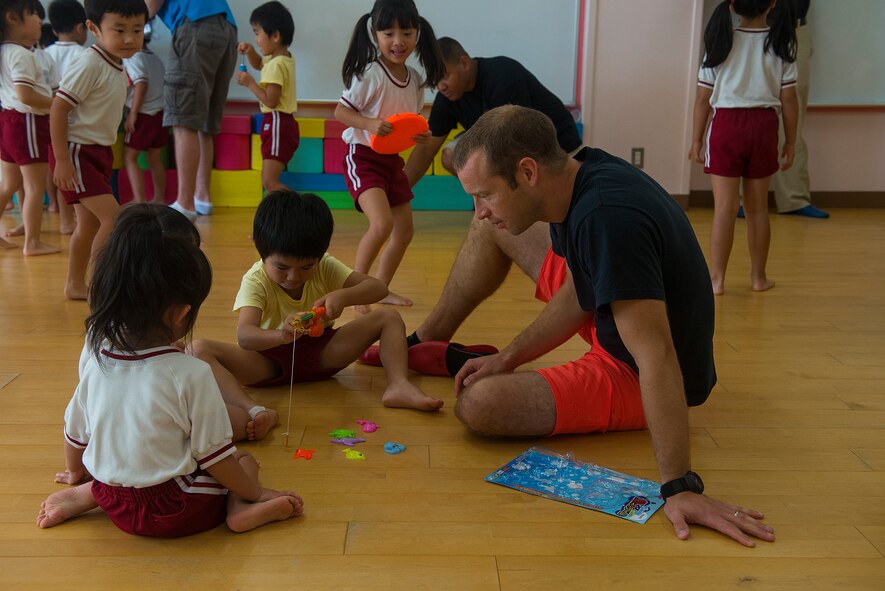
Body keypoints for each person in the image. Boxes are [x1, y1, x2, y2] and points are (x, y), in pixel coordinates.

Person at [420, 104, 773, 547]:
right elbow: (579, 291)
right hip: (613, 320)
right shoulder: (575, 177)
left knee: (479, 405)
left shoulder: (608, 218)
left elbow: (656, 353)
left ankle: (452, 360)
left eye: (485, 194)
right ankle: (425, 339)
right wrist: (506, 357)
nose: (479, 210)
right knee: (495, 231)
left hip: (638, 371)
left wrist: (679, 487)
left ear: (528, 172)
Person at [36, 204, 304, 537]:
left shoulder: (97, 357)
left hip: (115, 501)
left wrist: (76, 472)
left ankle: (86, 493)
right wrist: (255, 490)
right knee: (243, 460)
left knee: (126, 467)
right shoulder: (190, 373)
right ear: (180, 314)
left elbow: (75, 432)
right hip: (176, 508)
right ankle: (239, 511)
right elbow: (215, 457)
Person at [189, 190, 443, 442]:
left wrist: (344, 297)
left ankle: (398, 385)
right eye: (281, 267)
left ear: (321, 254)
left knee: (389, 317)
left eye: (306, 267)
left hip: (322, 355)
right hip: (268, 364)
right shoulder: (256, 280)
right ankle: (254, 410)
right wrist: (281, 335)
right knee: (198, 349)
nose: (293, 276)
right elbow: (245, 336)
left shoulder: (326, 266)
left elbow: (379, 288)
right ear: (258, 245)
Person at [334, 0, 445, 309]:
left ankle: (379, 289)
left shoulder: (415, 81)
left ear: (417, 33)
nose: (398, 42)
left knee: (404, 231)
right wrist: (368, 123)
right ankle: (356, 292)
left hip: (391, 161)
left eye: (407, 33)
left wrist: (418, 136)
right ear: (374, 34)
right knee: (381, 225)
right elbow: (340, 112)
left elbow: (403, 127)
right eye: (389, 33)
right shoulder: (370, 74)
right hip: (362, 157)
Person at [689, 0, 798, 295]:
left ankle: (717, 281)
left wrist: (697, 139)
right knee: (758, 209)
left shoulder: (720, 42)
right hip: (764, 126)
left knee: (724, 208)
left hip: (726, 125)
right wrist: (790, 141)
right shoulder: (780, 42)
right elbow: (789, 101)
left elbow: (702, 99)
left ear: (733, 5)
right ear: (772, 4)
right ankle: (758, 278)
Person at [50, 0, 146, 300]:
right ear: (93, 28)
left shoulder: (116, 62)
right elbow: (58, 108)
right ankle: (103, 286)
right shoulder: (90, 62)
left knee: (89, 224)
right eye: (119, 29)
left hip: (97, 153)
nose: (130, 38)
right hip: (79, 153)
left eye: (137, 29)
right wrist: (63, 160)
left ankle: (75, 285)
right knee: (114, 219)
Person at [403, 37, 582, 186]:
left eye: (444, 76)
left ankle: (500, 204)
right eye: (435, 81)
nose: (440, 86)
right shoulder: (448, 95)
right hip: (505, 143)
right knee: (452, 156)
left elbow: (517, 142)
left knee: (497, 158)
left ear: (464, 63)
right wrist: (398, 195)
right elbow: (426, 150)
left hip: (558, 147)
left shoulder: (503, 76)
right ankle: (491, 201)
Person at [146, 0, 237, 220]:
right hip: (226, 28)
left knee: (183, 119)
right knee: (204, 122)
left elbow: (149, 6)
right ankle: (201, 197)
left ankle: (184, 204)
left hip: (196, 25)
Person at [0, 0, 60, 256]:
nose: (39, 19)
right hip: (28, 122)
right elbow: (26, 96)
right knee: (35, 186)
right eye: (34, 14)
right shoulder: (23, 54)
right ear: (13, 18)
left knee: (8, 184)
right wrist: (60, 104)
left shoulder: (5, 51)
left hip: (8, 120)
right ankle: (32, 242)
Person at [770, 0, 827, 218]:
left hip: (796, 30)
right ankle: (737, 200)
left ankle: (793, 199)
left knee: (794, 117)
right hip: (756, 27)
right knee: (749, 111)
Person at [235, 1, 298, 193]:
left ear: (276, 35)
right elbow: (260, 64)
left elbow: (271, 100)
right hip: (281, 123)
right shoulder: (281, 58)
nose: (256, 39)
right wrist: (252, 52)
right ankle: (288, 215)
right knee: (269, 182)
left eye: (257, 33)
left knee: (270, 183)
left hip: (277, 122)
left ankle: (300, 210)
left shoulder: (276, 65)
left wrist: (250, 83)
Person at [43, 0, 89, 234]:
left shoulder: (45, 53)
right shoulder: (84, 55)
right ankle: (69, 220)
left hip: (49, 120)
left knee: (55, 170)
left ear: (53, 30)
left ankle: (56, 209)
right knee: (70, 174)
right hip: (74, 123)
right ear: (82, 28)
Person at [122, 31, 167, 204]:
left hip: (143, 114)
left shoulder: (133, 58)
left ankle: (139, 199)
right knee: (155, 158)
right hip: (160, 115)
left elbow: (141, 83)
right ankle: (159, 198)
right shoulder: (155, 58)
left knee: (129, 156)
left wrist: (132, 114)